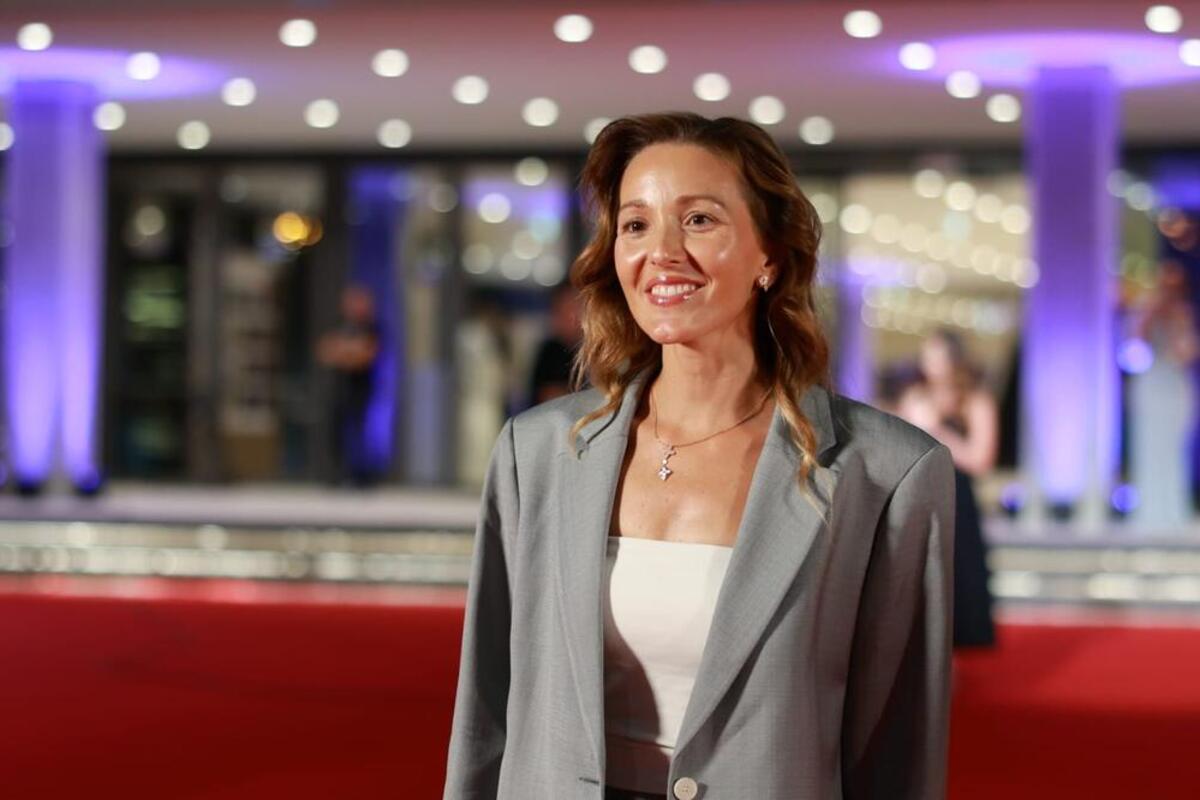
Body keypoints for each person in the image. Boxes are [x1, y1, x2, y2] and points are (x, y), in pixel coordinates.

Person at [443, 113, 955, 800]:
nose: (662, 252)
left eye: (699, 220)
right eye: (635, 224)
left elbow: (896, 753)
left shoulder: (886, 472)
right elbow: (486, 711)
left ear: (770, 255)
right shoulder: (533, 454)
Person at [885, 336, 997, 650]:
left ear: (954, 358)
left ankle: (952, 656)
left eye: (937, 356)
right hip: (918, 494)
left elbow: (980, 459)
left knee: (956, 574)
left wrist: (935, 428)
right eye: (926, 356)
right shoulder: (915, 396)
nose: (930, 364)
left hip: (958, 497)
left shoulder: (974, 399)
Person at [316, 284, 380, 486]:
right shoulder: (338, 325)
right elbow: (325, 351)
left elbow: (365, 356)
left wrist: (344, 353)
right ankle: (336, 474)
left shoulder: (372, 327)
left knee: (360, 432)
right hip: (339, 388)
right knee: (335, 431)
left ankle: (361, 476)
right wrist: (350, 352)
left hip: (361, 389)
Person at [527, 281, 583, 406]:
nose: (573, 317)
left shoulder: (587, 351)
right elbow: (550, 397)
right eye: (566, 310)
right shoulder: (552, 353)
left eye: (576, 309)